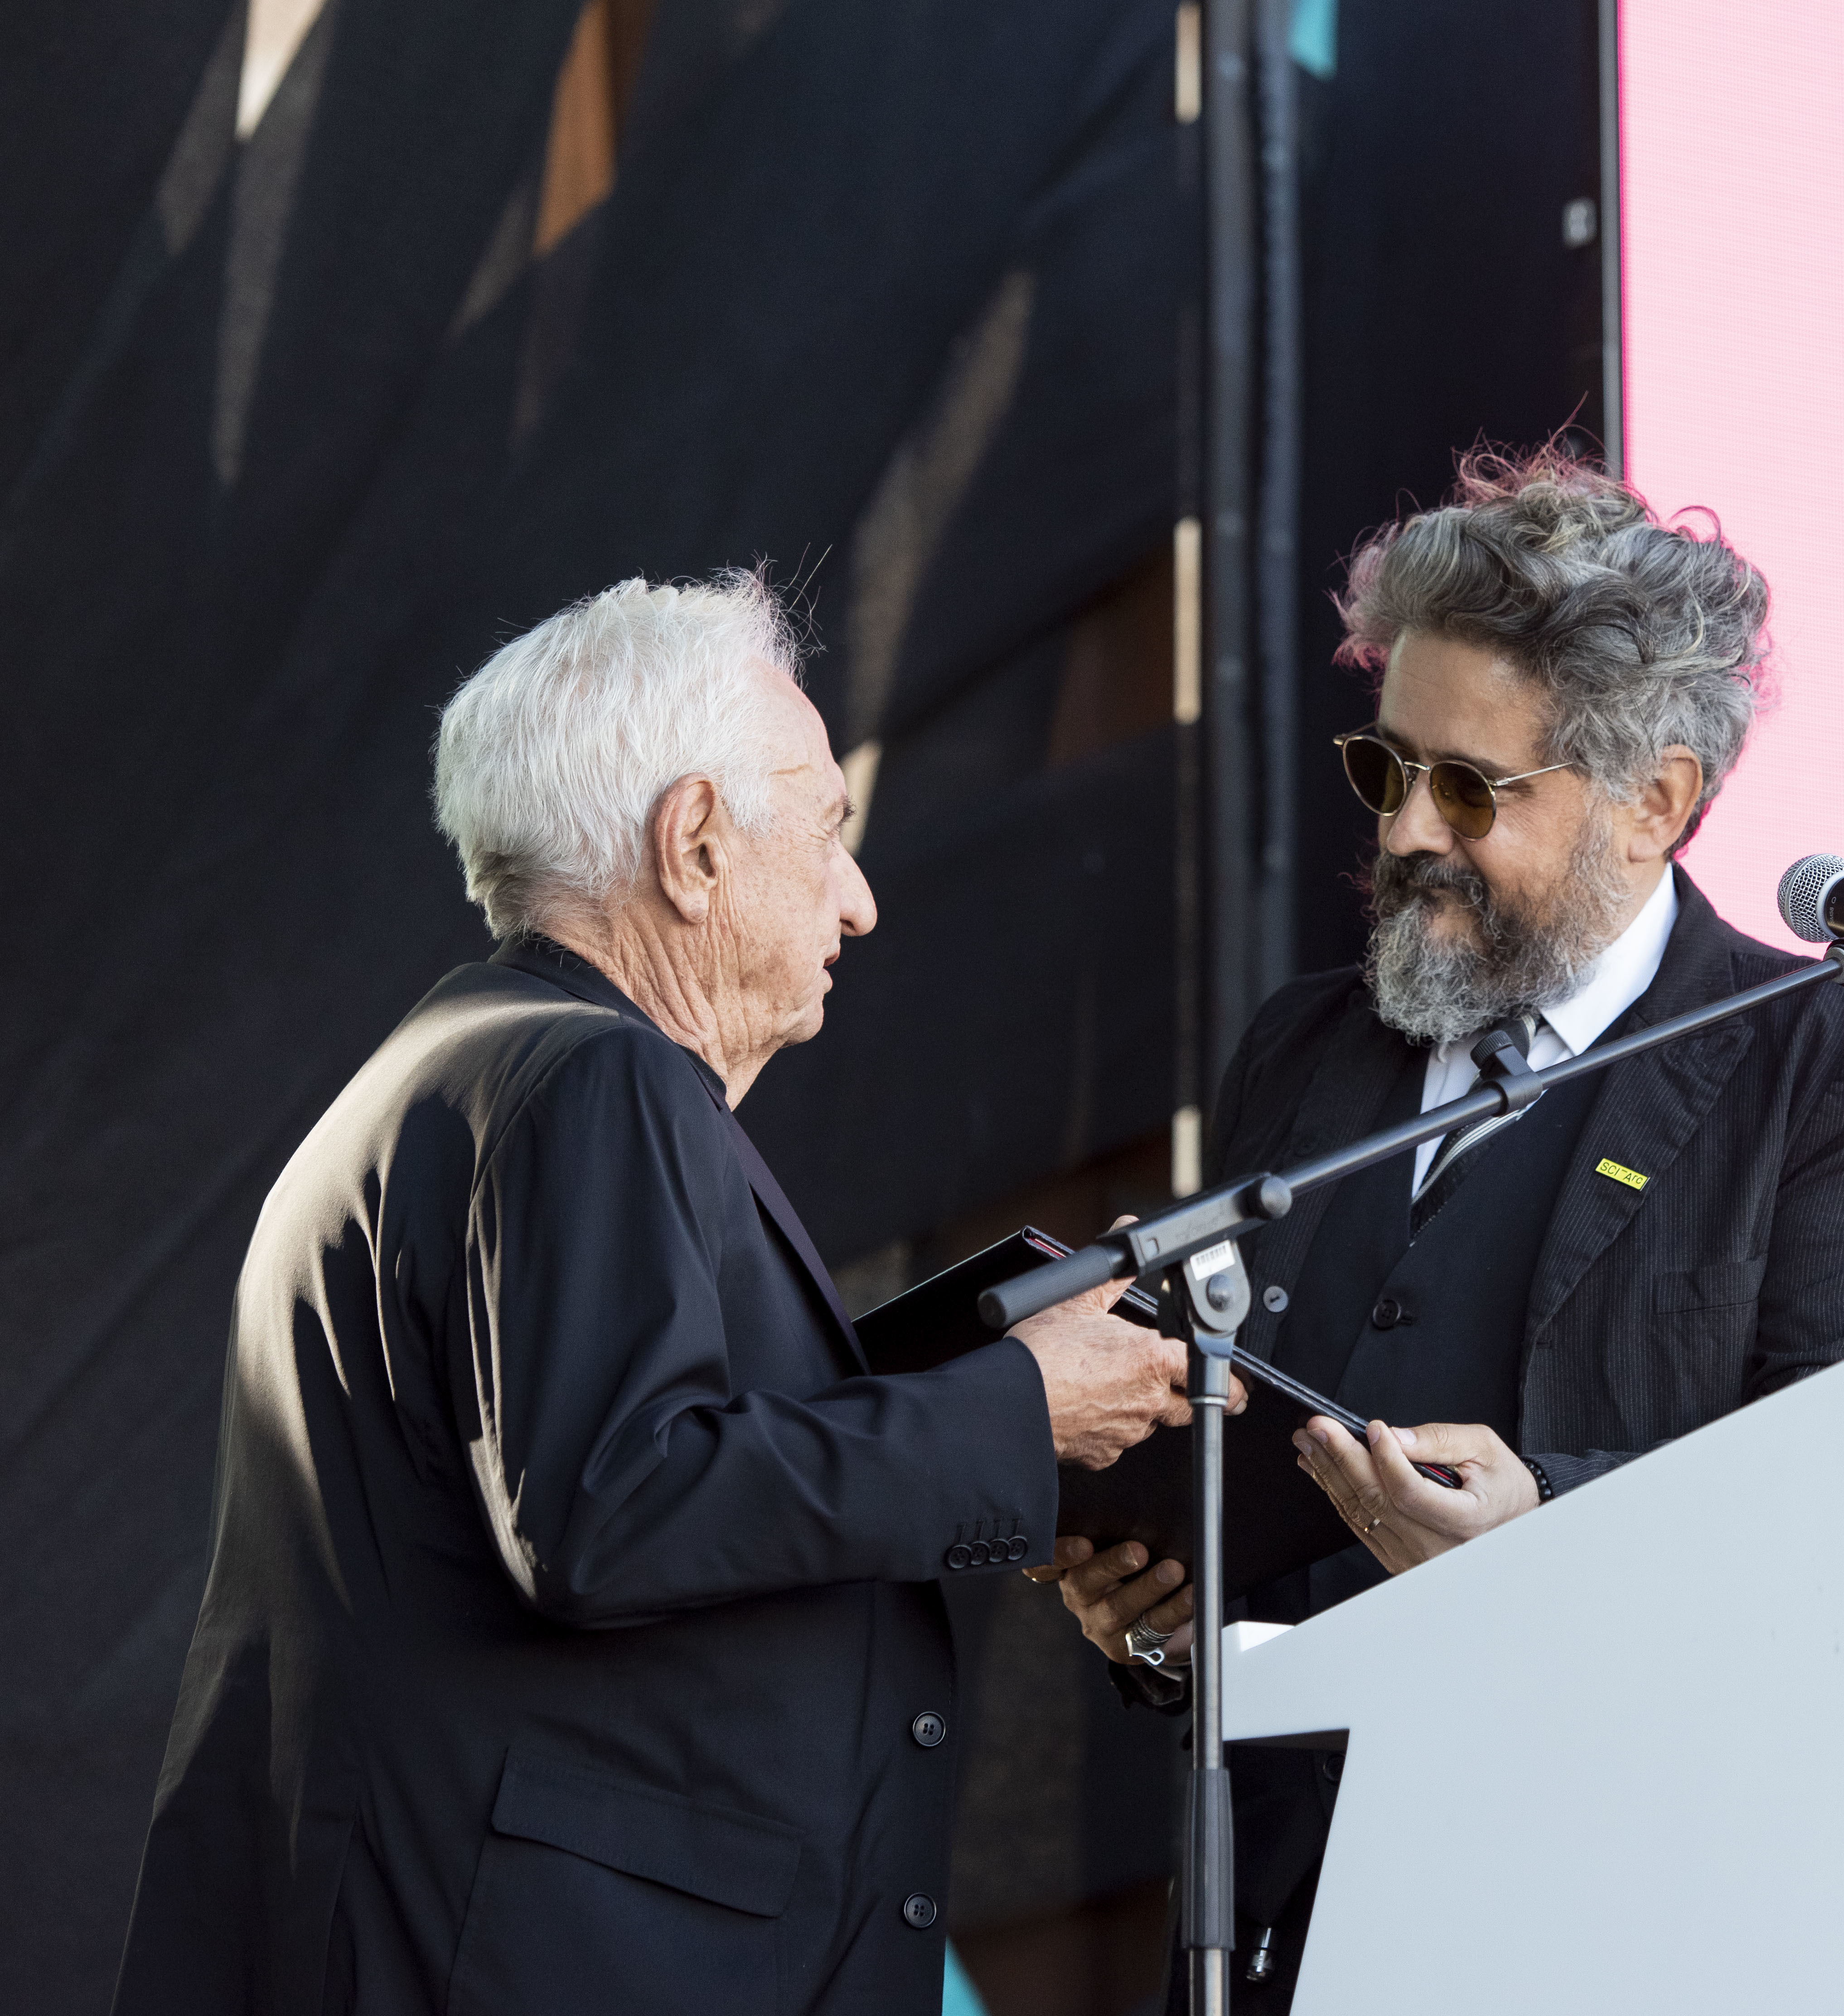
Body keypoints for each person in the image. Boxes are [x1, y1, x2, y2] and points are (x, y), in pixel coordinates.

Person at [111, 574, 1220, 2015]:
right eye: (828, 831)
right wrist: (1019, 1406)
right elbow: (612, 1504)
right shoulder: (592, 1075)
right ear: (694, 844)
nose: (860, 898)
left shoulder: (453, 1071)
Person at [1032, 448, 1844, 2008]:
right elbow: (1260, 1514)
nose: (1405, 831)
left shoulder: (1836, 1071)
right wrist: (1160, 1620)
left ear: (1654, 803)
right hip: (1283, 1930)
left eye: (1467, 787)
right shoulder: (1306, 1048)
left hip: (1623, 1921)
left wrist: (1546, 1535)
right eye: (1381, 767)